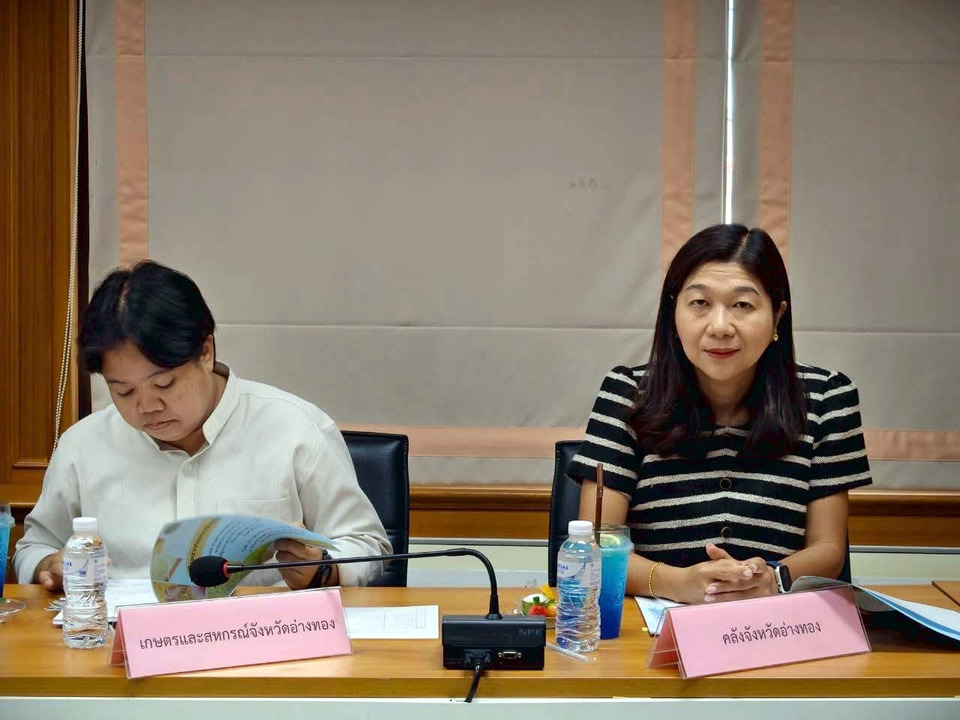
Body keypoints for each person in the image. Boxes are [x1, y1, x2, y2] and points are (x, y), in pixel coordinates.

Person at [15, 260, 390, 591]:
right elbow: (35, 546)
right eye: (124, 391)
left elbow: (367, 545)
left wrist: (322, 570)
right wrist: (48, 566)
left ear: (206, 352)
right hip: (123, 640)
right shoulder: (83, 446)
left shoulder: (295, 429)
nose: (147, 407)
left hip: (262, 635)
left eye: (164, 384)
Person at [567, 224, 871, 605]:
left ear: (777, 316)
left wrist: (773, 579)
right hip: (653, 624)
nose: (720, 326)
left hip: (776, 621)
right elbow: (597, 546)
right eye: (700, 303)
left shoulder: (827, 398)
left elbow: (828, 548)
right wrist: (678, 583)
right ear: (673, 312)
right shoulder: (627, 394)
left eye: (743, 305)